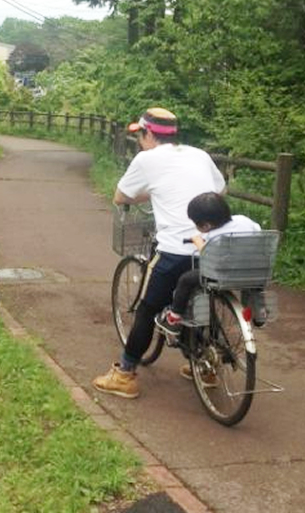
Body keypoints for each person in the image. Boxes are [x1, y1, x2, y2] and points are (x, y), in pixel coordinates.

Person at [92, 107, 226, 399]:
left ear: (149, 133)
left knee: (147, 308)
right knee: (199, 300)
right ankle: (205, 367)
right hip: (213, 247)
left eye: (140, 135)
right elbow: (219, 190)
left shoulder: (146, 159)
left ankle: (125, 374)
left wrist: (153, 191)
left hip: (176, 249)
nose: (139, 140)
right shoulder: (199, 154)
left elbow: (120, 197)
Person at [153, 193, 266, 383]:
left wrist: (198, 241)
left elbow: (208, 255)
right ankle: (258, 309)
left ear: (205, 225)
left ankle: (174, 317)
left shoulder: (214, 235)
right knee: (251, 280)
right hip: (251, 270)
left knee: (187, 279)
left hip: (222, 274)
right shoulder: (243, 220)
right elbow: (258, 232)